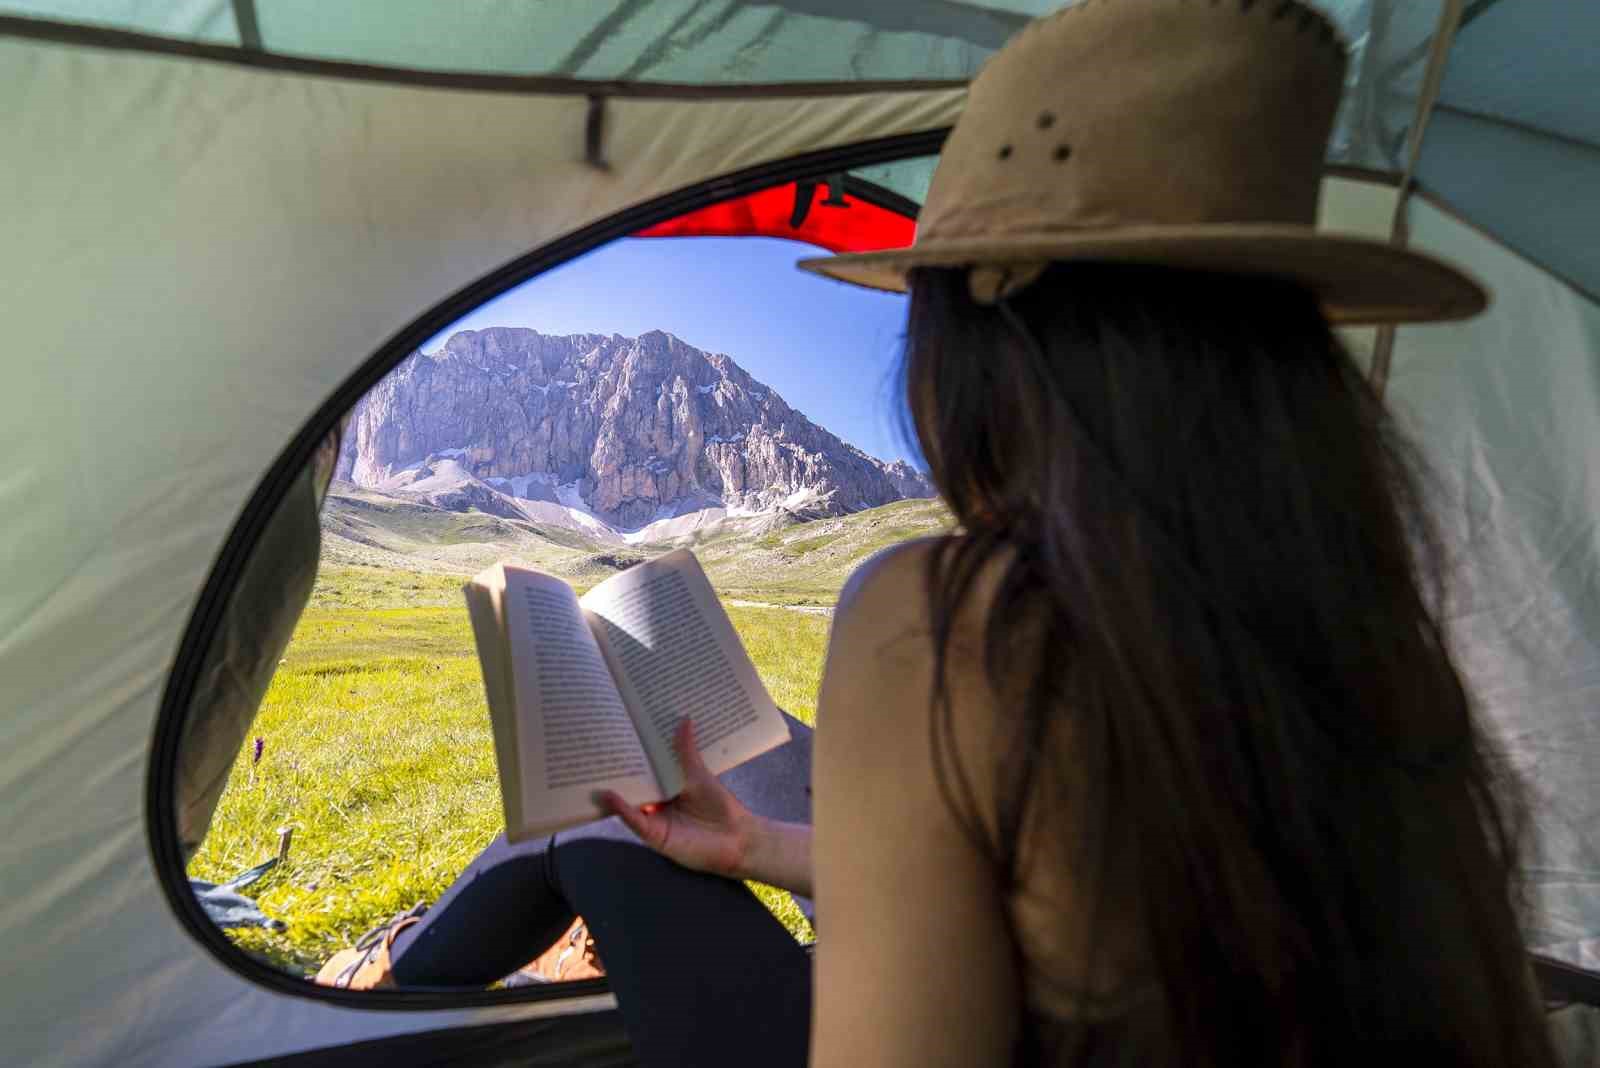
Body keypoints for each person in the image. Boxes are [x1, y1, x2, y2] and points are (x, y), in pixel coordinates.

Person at [318, 1, 1561, 1065]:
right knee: (637, 821)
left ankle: (369, 1004)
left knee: (591, 824)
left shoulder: (948, 614)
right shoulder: (1371, 626)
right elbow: (1075, 910)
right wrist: (760, 844)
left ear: (991, 333)